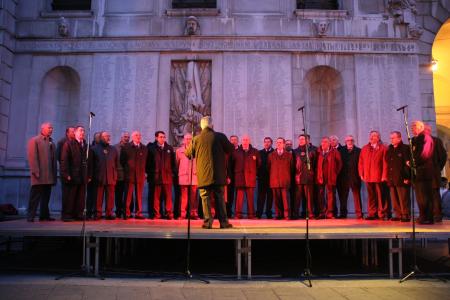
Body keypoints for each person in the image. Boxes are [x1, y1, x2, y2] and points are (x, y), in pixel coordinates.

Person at [185, 116, 233, 229]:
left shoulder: (196, 139)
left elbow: (188, 154)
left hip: (203, 175)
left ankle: (207, 223)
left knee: (205, 198)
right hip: (218, 175)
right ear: (212, 125)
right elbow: (230, 149)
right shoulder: (220, 136)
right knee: (220, 199)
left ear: (202, 126)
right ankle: (224, 223)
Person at [411, 121, 447, 224]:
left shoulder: (435, 141)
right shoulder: (415, 140)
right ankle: (427, 216)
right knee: (424, 196)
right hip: (422, 173)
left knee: (434, 195)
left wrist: (438, 168)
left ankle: (436, 215)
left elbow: (443, 157)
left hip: (432, 173)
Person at [26, 122, 57, 222]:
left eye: (52, 128)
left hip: (49, 176)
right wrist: (35, 171)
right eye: (49, 128)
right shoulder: (35, 140)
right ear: (42, 128)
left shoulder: (51, 142)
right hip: (39, 175)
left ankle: (44, 215)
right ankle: (30, 216)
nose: (51, 129)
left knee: (46, 197)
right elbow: (32, 157)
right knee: (35, 197)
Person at [60, 125, 88, 221]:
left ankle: (79, 214)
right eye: (80, 131)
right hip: (72, 175)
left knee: (80, 197)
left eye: (83, 131)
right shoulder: (68, 144)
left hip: (82, 175)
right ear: (75, 132)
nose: (82, 133)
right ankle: (67, 215)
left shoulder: (85, 145)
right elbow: (64, 160)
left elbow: (90, 161)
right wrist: (66, 174)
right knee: (70, 197)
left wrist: (89, 175)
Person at [89, 131, 119, 220]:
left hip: (111, 177)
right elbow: (91, 165)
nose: (108, 138)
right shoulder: (94, 149)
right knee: (98, 197)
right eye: (106, 136)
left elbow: (116, 164)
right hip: (99, 177)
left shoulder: (113, 149)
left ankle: (109, 213)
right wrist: (92, 176)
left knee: (110, 197)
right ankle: (97, 213)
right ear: (101, 137)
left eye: (109, 136)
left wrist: (115, 176)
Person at [358, 131, 388, 220]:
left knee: (380, 196)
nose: (371, 137)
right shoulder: (365, 148)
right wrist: (361, 174)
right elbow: (361, 162)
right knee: (371, 196)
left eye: (374, 136)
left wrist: (384, 175)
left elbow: (385, 163)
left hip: (379, 176)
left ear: (378, 138)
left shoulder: (383, 148)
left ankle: (381, 213)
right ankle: (372, 213)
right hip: (368, 176)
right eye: (371, 136)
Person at [231, 135, 261, 219]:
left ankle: (251, 215)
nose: (245, 141)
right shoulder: (236, 152)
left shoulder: (255, 151)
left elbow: (259, 164)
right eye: (243, 140)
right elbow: (232, 164)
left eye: (247, 140)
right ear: (241, 141)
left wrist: (253, 173)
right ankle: (238, 214)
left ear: (249, 141)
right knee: (239, 198)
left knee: (250, 198)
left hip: (250, 178)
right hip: (239, 177)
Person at [148, 131, 176, 219]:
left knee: (168, 197)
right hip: (156, 177)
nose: (162, 138)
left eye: (164, 137)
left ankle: (169, 213)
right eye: (160, 137)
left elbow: (173, 163)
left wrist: (173, 174)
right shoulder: (151, 148)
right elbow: (148, 162)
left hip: (167, 177)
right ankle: (157, 214)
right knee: (156, 198)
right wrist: (149, 173)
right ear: (156, 138)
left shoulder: (169, 148)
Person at [385, 131, 411, 222]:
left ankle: (405, 214)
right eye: (390, 138)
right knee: (394, 197)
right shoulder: (390, 149)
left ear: (399, 138)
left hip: (402, 177)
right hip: (392, 178)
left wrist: (407, 177)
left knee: (403, 198)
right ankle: (398, 214)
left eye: (393, 137)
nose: (391, 139)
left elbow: (407, 165)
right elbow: (388, 162)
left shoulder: (405, 148)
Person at [121, 131, 148, 219]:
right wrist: (128, 169)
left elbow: (146, 162)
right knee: (128, 195)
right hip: (130, 175)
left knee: (139, 195)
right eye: (136, 135)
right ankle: (126, 213)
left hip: (140, 175)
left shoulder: (144, 148)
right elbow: (122, 161)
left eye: (139, 135)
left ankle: (138, 213)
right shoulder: (126, 147)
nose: (138, 137)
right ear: (132, 137)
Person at [336, 135, 363, 219]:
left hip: (355, 176)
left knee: (357, 196)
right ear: (345, 142)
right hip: (343, 177)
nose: (349, 142)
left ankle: (359, 214)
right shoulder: (341, 150)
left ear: (353, 141)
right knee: (343, 197)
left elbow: (361, 164)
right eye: (348, 140)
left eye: (351, 140)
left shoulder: (359, 151)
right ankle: (343, 213)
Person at [316, 136, 342, 219]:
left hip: (330, 177)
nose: (323, 143)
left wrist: (334, 173)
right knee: (320, 195)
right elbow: (315, 164)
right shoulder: (318, 152)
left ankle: (330, 213)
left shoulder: (334, 151)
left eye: (325, 142)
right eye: (322, 142)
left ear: (329, 143)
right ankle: (322, 212)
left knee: (331, 195)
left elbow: (339, 164)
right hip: (321, 177)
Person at [268, 137, 293, 220]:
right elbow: (269, 167)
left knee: (286, 200)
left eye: (280, 142)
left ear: (284, 144)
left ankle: (286, 215)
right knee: (276, 200)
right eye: (277, 142)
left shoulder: (289, 155)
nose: (278, 144)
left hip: (285, 180)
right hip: (274, 180)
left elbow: (292, 168)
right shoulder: (271, 155)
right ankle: (278, 214)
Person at [292, 134, 316, 219]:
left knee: (309, 198)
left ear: (308, 140)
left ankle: (310, 214)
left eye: (303, 139)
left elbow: (315, 164)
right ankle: (295, 214)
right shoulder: (295, 151)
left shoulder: (313, 150)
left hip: (309, 177)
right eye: (300, 139)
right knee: (297, 198)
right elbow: (292, 165)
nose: (301, 141)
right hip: (298, 178)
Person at [176, 133, 199, 219]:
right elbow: (177, 163)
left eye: (190, 139)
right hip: (184, 176)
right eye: (187, 139)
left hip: (194, 176)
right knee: (184, 197)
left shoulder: (197, 150)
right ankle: (183, 214)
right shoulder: (179, 151)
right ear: (184, 140)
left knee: (194, 196)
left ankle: (193, 213)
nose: (188, 140)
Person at [256, 137, 274, 219]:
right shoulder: (259, 152)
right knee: (261, 197)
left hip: (271, 178)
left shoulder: (274, 152)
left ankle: (268, 213)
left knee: (270, 197)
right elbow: (257, 165)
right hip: (262, 178)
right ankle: (258, 213)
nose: (266, 143)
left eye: (268, 142)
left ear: (271, 143)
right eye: (265, 142)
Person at [114, 131, 130, 219]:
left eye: (128, 137)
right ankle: (118, 212)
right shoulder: (115, 148)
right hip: (119, 175)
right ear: (121, 138)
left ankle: (127, 212)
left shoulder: (131, 147)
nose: (127, 138)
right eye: (125, 137)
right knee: (118, 195)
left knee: (128, 196)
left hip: (128, 175)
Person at [86, 132, 102, 219]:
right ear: (94, 138)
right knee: (90, 196)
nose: (99, 139)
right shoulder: (91, 148)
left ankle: (96, 212)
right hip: (91, 176)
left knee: (97, 196)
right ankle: (88, 212)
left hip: (98, 176)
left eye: (100, 137)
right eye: (98, 137)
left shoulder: (101, 148)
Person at [227, 135, 239, 218]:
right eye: (232, 140)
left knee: (239, 197)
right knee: (229, 196)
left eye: (235, 140)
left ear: (237, 141)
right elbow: (227, 165)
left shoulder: (241, 150)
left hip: (239, 177)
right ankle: (228, 212)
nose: (233, 141)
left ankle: (238, 213)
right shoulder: (227, 151)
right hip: (231, 177)